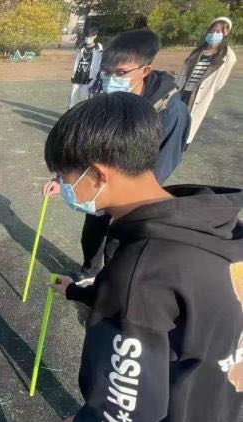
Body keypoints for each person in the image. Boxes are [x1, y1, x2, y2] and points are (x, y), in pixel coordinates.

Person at [38, 92, 243, 422]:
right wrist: (81, 292)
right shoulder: (213, 229)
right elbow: (175, 309)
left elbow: (129, 408)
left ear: (98, 175)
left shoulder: (141, 270)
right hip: (212, 411)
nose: (63, 187)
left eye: (65, 178)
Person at [44, 29, 191, 285]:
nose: (112, 79)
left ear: (144, 70)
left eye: (121, 73)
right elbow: (85, 145)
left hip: (129, 198)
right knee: (92, 233)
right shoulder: (109, 99)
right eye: (107, 72)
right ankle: (90, 272)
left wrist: (126, 200)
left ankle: (111, 284)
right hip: (98, 188)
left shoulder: (171, 112)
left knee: (118, 245)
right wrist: (64, 179)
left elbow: (161, 166)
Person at [176, 16, 237, 146]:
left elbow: (219, 83)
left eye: (218, 31)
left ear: (225, 33)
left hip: (199, 96)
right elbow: (183, 72)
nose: (214, 34)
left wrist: (206, 90)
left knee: (186, 130)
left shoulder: (227, 56)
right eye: (212, 31)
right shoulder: (198, 51)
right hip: (183, 92)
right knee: (174, 123)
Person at [69, 27, 102, 108]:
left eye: (90, 36)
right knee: (73, 98)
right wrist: (73, 74)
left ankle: (85, 114)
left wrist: (97, 77)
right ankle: (71, 113)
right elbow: (77, 62)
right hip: (78, 76)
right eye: (86, 36)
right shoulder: (81, 47)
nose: (88, 38)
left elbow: (100, 63)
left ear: (95, 36)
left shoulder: (98, 48)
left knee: (86, 98)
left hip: (90, 78)